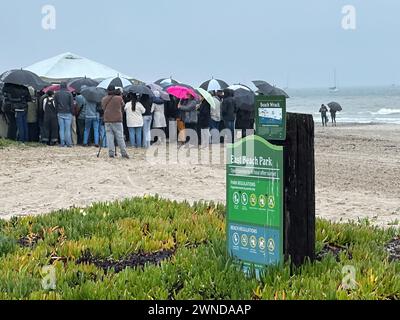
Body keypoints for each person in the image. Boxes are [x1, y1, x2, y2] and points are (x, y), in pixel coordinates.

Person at [101, 85, 129, 159]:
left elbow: (103, 108)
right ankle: (124, 153)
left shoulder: (104, 99)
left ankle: (111, 153)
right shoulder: (119, 98)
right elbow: (123, 105)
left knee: (109, 137)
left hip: (107, 119)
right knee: (120, 137)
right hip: (117, 119)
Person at [54, 82, 73, 147]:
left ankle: (62, 143)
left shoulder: (56, 93)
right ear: (66, 86)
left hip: (60, 112)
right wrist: (72, 112)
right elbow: (71, 104)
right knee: (67, 129)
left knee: (61, 128)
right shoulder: (69, 93)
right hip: (68, 112)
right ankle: (69, 143)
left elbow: (55, 104)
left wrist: (56, 111)